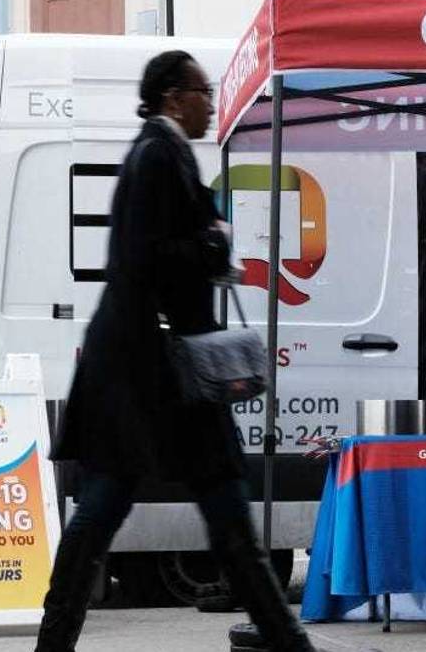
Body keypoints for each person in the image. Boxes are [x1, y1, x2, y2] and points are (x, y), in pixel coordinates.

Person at [36, 51, 320, 652]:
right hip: (153, 371)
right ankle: (285, 637)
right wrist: (214, 246)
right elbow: (144, 260)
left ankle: (283, 636)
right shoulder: (158, 155)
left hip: (150, 369)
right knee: (148, 508)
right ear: (171, 97)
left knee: (200, 506)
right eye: (202, 92)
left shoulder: (160, 153)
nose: (211, 104)